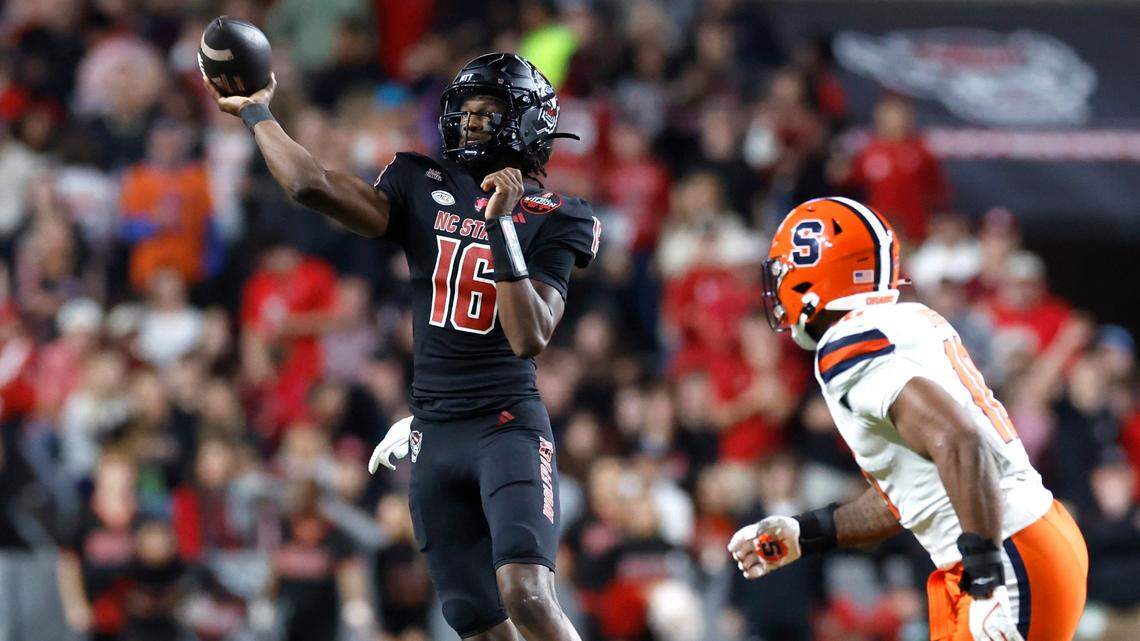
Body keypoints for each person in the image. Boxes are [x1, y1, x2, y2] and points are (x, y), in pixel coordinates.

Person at [205, 52, 599, 641]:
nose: (468, 123)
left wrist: (500, 226)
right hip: (435, 431)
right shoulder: (421, 182)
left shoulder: (555, 216)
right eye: (463, 110)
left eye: (487, 112)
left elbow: (530, 334)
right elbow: (311, 184)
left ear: (527, 123)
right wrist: (258, 111)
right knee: (475, 619)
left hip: (506, 425)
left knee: (528, 595)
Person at [727, 197, 1087, 641]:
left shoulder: (846, 345)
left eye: (784, 273)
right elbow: (913, 497)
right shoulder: (906, 319)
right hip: (1026, 538)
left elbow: (959, 439)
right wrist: (807, 533)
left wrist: (986, 578)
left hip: (1006, 554)